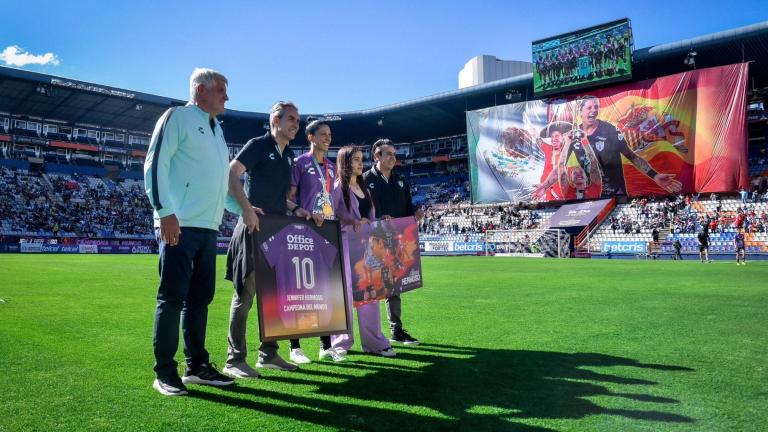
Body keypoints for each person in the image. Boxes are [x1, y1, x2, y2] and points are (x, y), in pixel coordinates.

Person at [144, 68, 236, 396]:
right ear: (200, 90)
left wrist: (245, 210)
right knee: (171, 298)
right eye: (221, 90)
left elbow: (221, 184)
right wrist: (165, 212)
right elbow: (155, 165)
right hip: (178, 224)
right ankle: (164, 372)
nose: (227, 96)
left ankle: (196, 365)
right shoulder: (177, 117)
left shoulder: (217, 130)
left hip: (208, 227)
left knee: (201, 299)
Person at [223, 101, 309, 378]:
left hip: (277, 231)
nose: (296, 124)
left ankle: (268, 354)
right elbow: (231, 174)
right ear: (276, 120)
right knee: (245, 296)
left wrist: (296, 209)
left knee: (275, 296)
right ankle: (234, 360)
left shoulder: (289, 155)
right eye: (291, 119)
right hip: (252, 228)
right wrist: (246, 209)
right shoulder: (258, 144)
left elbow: (278, 197)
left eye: (298, 120)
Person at [286, 118, 346, 363]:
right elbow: (289, 197)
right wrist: (304, 212)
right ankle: (295, 347)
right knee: (299, 289)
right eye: (322, 134)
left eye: (329, 134)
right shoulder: (299, 163)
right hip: (303, 233)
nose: (328, 138)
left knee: (325, 291)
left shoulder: (332, 168)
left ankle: (325, 345)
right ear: (310, 137)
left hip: (327, 233)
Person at [331, 145, 396, 357]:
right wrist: (353, 221)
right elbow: (332, 216)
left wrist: (380, 220)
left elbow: (369, 218)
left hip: (367, 249)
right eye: (356, 159)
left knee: (370, 296)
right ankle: (340, 345)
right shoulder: (338, 186)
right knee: (346, 297)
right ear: (345, 162)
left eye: (361, 159)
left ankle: (375, 343)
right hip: (346, 247)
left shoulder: (364, 188)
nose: (361, 163)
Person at [363, 139, 424, 346]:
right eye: (388, 153)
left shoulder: (401, 181)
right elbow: (361, 212)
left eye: (394, 154)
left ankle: (395, 330)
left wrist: (415, 213)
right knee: (369, 289)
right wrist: (378, 219)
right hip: (371, 242)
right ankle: (369, 336)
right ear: (376, 156)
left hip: (396, 241)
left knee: (393, 287)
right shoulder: (364, 180)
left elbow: (408, 208)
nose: (393, 157)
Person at [569, 96, 682, 197]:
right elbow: (558, 168)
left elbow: (631, 156)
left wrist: (654, 175)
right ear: (580, 111)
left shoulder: (609, 130)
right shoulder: (573, 136)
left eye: (596, 107)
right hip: (591, 195)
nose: (594, 110)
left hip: (615, 194)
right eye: (589, 108)